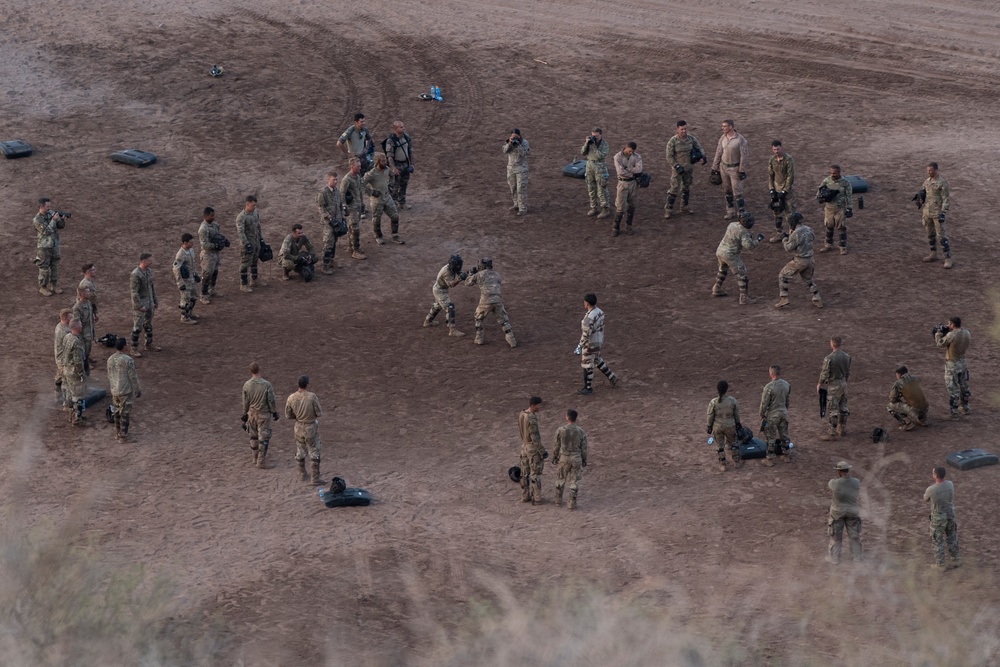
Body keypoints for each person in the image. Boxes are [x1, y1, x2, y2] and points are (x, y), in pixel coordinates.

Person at [713, 211, 764, 305]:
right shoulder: (743, 231)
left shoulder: (732, 224)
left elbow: (738, 236)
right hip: (730, 255)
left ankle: (717, 288)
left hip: (720, 251)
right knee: (742, 274)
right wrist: (758, 240)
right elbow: (749, 246)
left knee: (723, 270)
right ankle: (744, 298)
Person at [464, 257, 517, 348]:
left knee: (478, 318)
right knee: (504, 320)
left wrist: (470, 274)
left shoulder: (479, 274)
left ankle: (479, 339)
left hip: (485, 301)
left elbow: (468, 283)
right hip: (497, 300)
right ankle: (512, 340)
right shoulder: (497, 274)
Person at [774, 212, 823, 309]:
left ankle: (784, 298)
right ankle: (817, 298)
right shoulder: (809, 229)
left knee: (783, 275)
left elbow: (788, 248)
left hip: (800, 260)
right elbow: (812, 238)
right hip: (810, 260)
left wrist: (784, 239)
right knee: (808, 280)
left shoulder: (796, 234)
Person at [284, 374, 326, 484]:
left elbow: (288, 415)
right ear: (307, 385)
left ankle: (302, 474)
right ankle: (315, 478)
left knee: (300, 450)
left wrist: (298, 417)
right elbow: (319, 412)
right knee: (314, 451)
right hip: (310, 427)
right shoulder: (312, 397)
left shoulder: (291, 397)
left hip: (298, 427)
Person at [576, 293, 619, 394]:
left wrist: (580, 346)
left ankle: (588, 388)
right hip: (599, 341)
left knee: (587, 364)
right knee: (597, 360)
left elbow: (586, 335)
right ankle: (612, 377)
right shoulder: (600, 312)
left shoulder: (588, 318)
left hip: (591, 344)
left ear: (586, 303)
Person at [664, 120, 706, 219]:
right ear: (677, 129)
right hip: (677, 170)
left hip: (689, 168)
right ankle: (668, 210)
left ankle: (684, 207)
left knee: (686, 187)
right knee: (674, 188)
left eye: (685, 129)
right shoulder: (673, 141)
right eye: (682, 129)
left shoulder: (691, 139)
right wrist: (676, 165)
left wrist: (703, 156)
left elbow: (699, 147)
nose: (684, 131)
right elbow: (669, 156)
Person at [241, 362, 279, 469]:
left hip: (251, 413)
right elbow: (271, 400)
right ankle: (261, 461)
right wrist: (274, 412)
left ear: (250, 371)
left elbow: (245, 401)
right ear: (259, 370)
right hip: (263, 414)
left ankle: (255, 457)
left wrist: (245, 413)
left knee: (253, 436)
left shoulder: (247, 385)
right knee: (264, 437)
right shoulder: (266, 385)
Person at [710, 119, 750, 221]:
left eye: (725, 126)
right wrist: (714, 167)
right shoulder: (722, 138)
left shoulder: (740, 140)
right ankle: (730, 211)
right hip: (723, 167)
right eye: (722, 126)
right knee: (727, 190)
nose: (722, 128)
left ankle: (741, 212)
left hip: (735, 169)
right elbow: (718, 152)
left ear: (731, 127)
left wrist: (741, 170)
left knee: (737, 191)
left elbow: (744, 156)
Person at [362, 153, 405, 245]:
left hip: (387, 197)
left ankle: (395, 235)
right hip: (377, 200)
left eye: (385, 160)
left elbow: (392, 175)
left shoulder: (387, 170)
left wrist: (390, 185)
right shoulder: (372, 173)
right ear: (377, 162)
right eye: (383, 161)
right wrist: (371, 192)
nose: (385, 162)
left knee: (395, 215)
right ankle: (378, 236)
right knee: (377, 219)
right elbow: (361, 184)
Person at [919, 162, 954, 269]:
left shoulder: (942, 183)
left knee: (941, 236)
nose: (929, 172)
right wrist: (920, 199)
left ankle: (948, 258)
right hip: (927, 212)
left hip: (937, 213)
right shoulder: (927, 182)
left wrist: (943, 212)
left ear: (936, 170)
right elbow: (923, 193)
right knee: (930, 234)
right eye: (928, 171)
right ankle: (933, 253)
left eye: (931, 170)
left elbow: (946, 199)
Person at [935, 316, 971, 419]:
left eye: (949, 324)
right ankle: (965, 407)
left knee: (953, 388)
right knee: (964, 386)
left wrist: (938, 333)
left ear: (952, 325)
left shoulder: (952, 334)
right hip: (963, 362)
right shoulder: (967, 333)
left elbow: (940, 343)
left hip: (952, 365)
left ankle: (954, 413)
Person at [827, 461, 863, 564]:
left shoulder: (834, 483)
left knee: (836, 536)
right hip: (853, 511)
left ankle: (834, 558)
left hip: (838, 512)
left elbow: (831, 486)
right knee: (854, 535)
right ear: (848, 470)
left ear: (839, 472)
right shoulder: (856, 482)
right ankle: (857, 557)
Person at [924, 466, 960, 570]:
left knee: (937, 540)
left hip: (938, 517)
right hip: (950, 514)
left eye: (933, 473)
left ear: (936, 475)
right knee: (952, 537)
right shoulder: (950, 484)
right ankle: (956, 560)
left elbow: (925, 498)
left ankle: (941, 565)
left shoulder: (931, 489)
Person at [552, 409, 589, 510]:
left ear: (567, 417)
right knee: (574, 481)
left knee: (560, 479)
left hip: (564, 457)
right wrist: (584, 459)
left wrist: (555, 456)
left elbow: (556, 445)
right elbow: (584, 448)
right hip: (576, 457)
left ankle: (558, 500)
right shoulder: (581, 432)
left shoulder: (560, 430)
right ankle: (571, 503)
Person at [33, 197, 69, 297]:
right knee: (44, 268)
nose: (50, 208)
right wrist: (53, 220)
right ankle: (43, 287)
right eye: (47, 206)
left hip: (54, 245)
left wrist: (61, 220)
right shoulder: (37, 219)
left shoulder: (51, 213)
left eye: (50, 206)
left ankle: (54, 285)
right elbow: (46, 231)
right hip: (44, 247)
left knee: (55, 266)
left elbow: (60, 226)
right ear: (41, 206)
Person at [107, 337, 141, 442]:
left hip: (114, 390)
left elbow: (109, 374)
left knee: (116, 411)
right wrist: (137, 389)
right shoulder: (128, 360)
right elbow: (133, 377)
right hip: (125, 390)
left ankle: (117, 433)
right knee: (125, 413)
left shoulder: (110, 359)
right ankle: (123, 436)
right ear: (124, 347)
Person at [423, 254, 466, 337]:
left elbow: (459, 272)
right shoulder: (447, 272)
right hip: (440, 290)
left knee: (438, 306)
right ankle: (452, 330)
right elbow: (451, 285)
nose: (459, 266)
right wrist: (460, 279)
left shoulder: (452, 267)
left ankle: (428, 321)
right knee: (450, 307)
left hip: (440, 289)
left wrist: (467, 274)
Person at [818, 336, 852, 440]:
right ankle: (842, 429)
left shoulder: (829, 358)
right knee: (844, 407)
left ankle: (831, 433)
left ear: (832, 344)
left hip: (834, 385)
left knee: (833, 409)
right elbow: (847, 372)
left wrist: (820, 383)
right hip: (843, 383)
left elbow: (825, 373)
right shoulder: (847, 356)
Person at [816, 164, 853, 254]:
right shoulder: (827, 181)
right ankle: (828, 245)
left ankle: (842, 246)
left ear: (839, 172)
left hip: (840, 208)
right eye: (831, 173)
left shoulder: (845, 183)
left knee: (841, 227)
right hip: (829, 208)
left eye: (835, 173)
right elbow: (819, 190)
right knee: (829, 225)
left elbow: (849, 196)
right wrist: (819, 198)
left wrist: (849, 208)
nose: (833, 175)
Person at [707, 380, 742, 472]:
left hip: (718, 426)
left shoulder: (713, 402)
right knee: (733, 443)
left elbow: (710, 416)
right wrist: (738, 423)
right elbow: (736, 414)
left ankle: (723, 464)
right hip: (730, 425)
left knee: (720, 445)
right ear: (727, 389)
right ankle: (736, 462)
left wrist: (709, 426)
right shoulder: (732, 401)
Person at [759, 365, 791, 465]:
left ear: (771, 373)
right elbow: (787, 400)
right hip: (783, 413)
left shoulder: (769, 387)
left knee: (770, 436)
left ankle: (769, 459)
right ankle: (786, 456)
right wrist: (785, 410)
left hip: (772, 414)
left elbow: (764, 403)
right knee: (784, 434)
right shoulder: (786, 384)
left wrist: (762, 414)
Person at [767, 140, 798, 241]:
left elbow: (790, 176)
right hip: (776, 188)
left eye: (778, 149)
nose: (776, 151)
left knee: (790, 212)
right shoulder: (772, 160)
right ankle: (779, 233)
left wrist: (785, 191)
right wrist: (772, 189)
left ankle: (792, 234)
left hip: (787, 191)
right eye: (774, 149)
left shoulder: (788, 159)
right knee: (777, 212)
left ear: (782, 148)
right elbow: (770, 176)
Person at [129, 252, 159, 357]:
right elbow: (134, 292)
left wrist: (155, 300)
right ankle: (133, 348)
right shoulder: (135, 274)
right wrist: (139, 305)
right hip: (140, 305)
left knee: (148, 324)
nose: (151, 261)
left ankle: (149, 344)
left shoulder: (149, 272)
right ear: (143, 261)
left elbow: (152, 287)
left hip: (149, 302)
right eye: (149, 260)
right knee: (137, 327)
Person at [236, 195, 267, 293]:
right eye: (253, 205)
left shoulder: (255, 213)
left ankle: (254, 280)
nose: (254, 207)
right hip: (248, 243)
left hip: (256, 241)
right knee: (245, 263)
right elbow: (241, 232)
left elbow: (258, 227)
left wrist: (261, 239)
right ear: (247, 204)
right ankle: (243, 284)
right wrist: (246, 244)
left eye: (255, 205)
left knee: (254, 260)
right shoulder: (241, 217)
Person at [198, 207, 228, 304]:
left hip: (215, 253)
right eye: (211, 216)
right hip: (207, 255)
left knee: (215, 272)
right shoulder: (203, 229)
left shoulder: (215, 225)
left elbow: (218, 236)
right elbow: (204, 244)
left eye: (213, 215)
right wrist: (216, 245)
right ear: (206, 216)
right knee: (206, 275)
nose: (213, 217)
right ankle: (203, 295)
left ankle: (212, 290)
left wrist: (224, 240)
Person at [612, 141, 643, 236]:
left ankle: (629, 226)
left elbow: (639, 169)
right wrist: (633, 172)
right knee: (620, 207)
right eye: (630, 151)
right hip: (622, 183)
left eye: (632, 151)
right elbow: (620, 172)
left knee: (632, 206)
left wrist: (627, 169)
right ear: (626, 147)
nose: (631, 153)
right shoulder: (617, 157)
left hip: (633, 184)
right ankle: (615, 227)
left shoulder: (637, 156)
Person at [517, 396, 545, 504]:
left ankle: (525, 496)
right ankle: (536, 498)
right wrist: (542, 451)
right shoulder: (532, 418)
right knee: (535, 473)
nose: (539, 408)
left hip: (524, 446)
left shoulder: (522, 414)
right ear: (533, 406)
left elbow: (521, 431)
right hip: (532, 449)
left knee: (524, 473)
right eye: (538, 405)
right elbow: (535, 437)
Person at [339, 157, 367, 260]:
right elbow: (341, 194)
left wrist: (362, 203)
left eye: (360, 165)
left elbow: (360, 191)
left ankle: (351, 247)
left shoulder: (357, 177)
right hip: (352, 208)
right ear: (352, 166)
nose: (360, 167)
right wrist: (344, 206)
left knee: (352, 227)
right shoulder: (347, 179)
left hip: (358, 206)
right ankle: (356, 250)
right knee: (355, 228)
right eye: (358, 166)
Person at [61, 318, 87, 425]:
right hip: (74, 371)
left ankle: (71, 415)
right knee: (78, 395)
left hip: (66, 369)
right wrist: (81, 373)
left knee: (70, 393)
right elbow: (78, 360)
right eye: (80, 324)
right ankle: (77, 418)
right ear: (76, 327)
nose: (81, 326)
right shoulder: (76, 342)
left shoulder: (67, 337)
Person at [316, 171, 343, 274]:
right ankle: (325, 266)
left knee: (334, 241)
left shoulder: (337, 191)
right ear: (328, 180)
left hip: (337, 222)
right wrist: (330, 218)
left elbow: (340, 204)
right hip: (328, 223)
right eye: (333, 179)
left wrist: (342, 217)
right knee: (328, 242)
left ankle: (331, 260)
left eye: (337, 179)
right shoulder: (323, 193)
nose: (336, 182)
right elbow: (321, 208)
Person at [887, 365, 929, 430]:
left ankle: (907, 423)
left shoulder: (898, 383)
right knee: (916, 401)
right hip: (926, 407)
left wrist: (899, 395)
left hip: (914, 410)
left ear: (899, 374)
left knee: (890, 406)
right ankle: (923, 419)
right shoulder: (916, 378)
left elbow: (892, 398)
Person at [581, 127, 611, 218]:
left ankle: (605, 209)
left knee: (602, 188)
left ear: (601, 135)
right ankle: (594, 207)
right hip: (589, 166)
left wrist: (594, 146)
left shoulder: (605, 145)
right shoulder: (590, 142)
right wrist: (586, 143)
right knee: (591, 187)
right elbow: (582, 153)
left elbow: (600, 157)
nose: (594, 138)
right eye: (593, 135)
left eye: (596, 136)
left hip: (600, 167)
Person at [173, 233, 201, 324]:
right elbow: (176, 268)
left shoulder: (191, 250)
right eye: (190, 242)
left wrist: (196, 274)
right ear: (185, 242)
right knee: (185, 298)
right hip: (185, 281)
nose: (192, 243)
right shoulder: (180, 254)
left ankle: (189, 313)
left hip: (191, 278)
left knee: (194, 296)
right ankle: (184, 317)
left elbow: (192, 265)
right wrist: (180, 283)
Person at [385, 120, 414, 209]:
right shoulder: (391, 140)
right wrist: (393, 168)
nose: (403, 128)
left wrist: (411, 164)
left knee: (404, 184)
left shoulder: (406, 137)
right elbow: (389, 156)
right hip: (397, 164)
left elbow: (410, 151)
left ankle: (402, 202)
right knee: (394, 185)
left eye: (403, 126)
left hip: (405, 164)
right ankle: (392, 204)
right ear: (395, 129)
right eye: (401, 127)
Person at [504, 128, 530, 216]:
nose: (514, 137)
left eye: (516, 136)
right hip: (511, 168)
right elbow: (504, 151)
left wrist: (518, 144)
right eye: (513, 136)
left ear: (519, 136)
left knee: (520, 189)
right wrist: (510, 143)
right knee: (513, 187)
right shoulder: (509, 141)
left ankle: (523, 208)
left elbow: (524, 154)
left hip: (521, 169)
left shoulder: (524, 143)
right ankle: (516, 204)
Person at [71, 285, 96, 373]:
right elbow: (77, 322)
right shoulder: (77, 307)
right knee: (84, 348)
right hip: (83, 333)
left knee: (88, 347)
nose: (89, 293)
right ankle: (85, 363)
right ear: (81, 294)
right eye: (87, 292)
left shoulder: (88, 303)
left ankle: (87, 358)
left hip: (89, 329)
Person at [53, 308, 73, 406]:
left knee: (59, 376)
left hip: (60, 357)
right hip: (63, 359)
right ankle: (66, 402)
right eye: (70, 316)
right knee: (66, 380)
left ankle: (57, 395)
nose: (72, 318)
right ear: (65, 318)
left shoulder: (60, 326)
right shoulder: (64, 331)